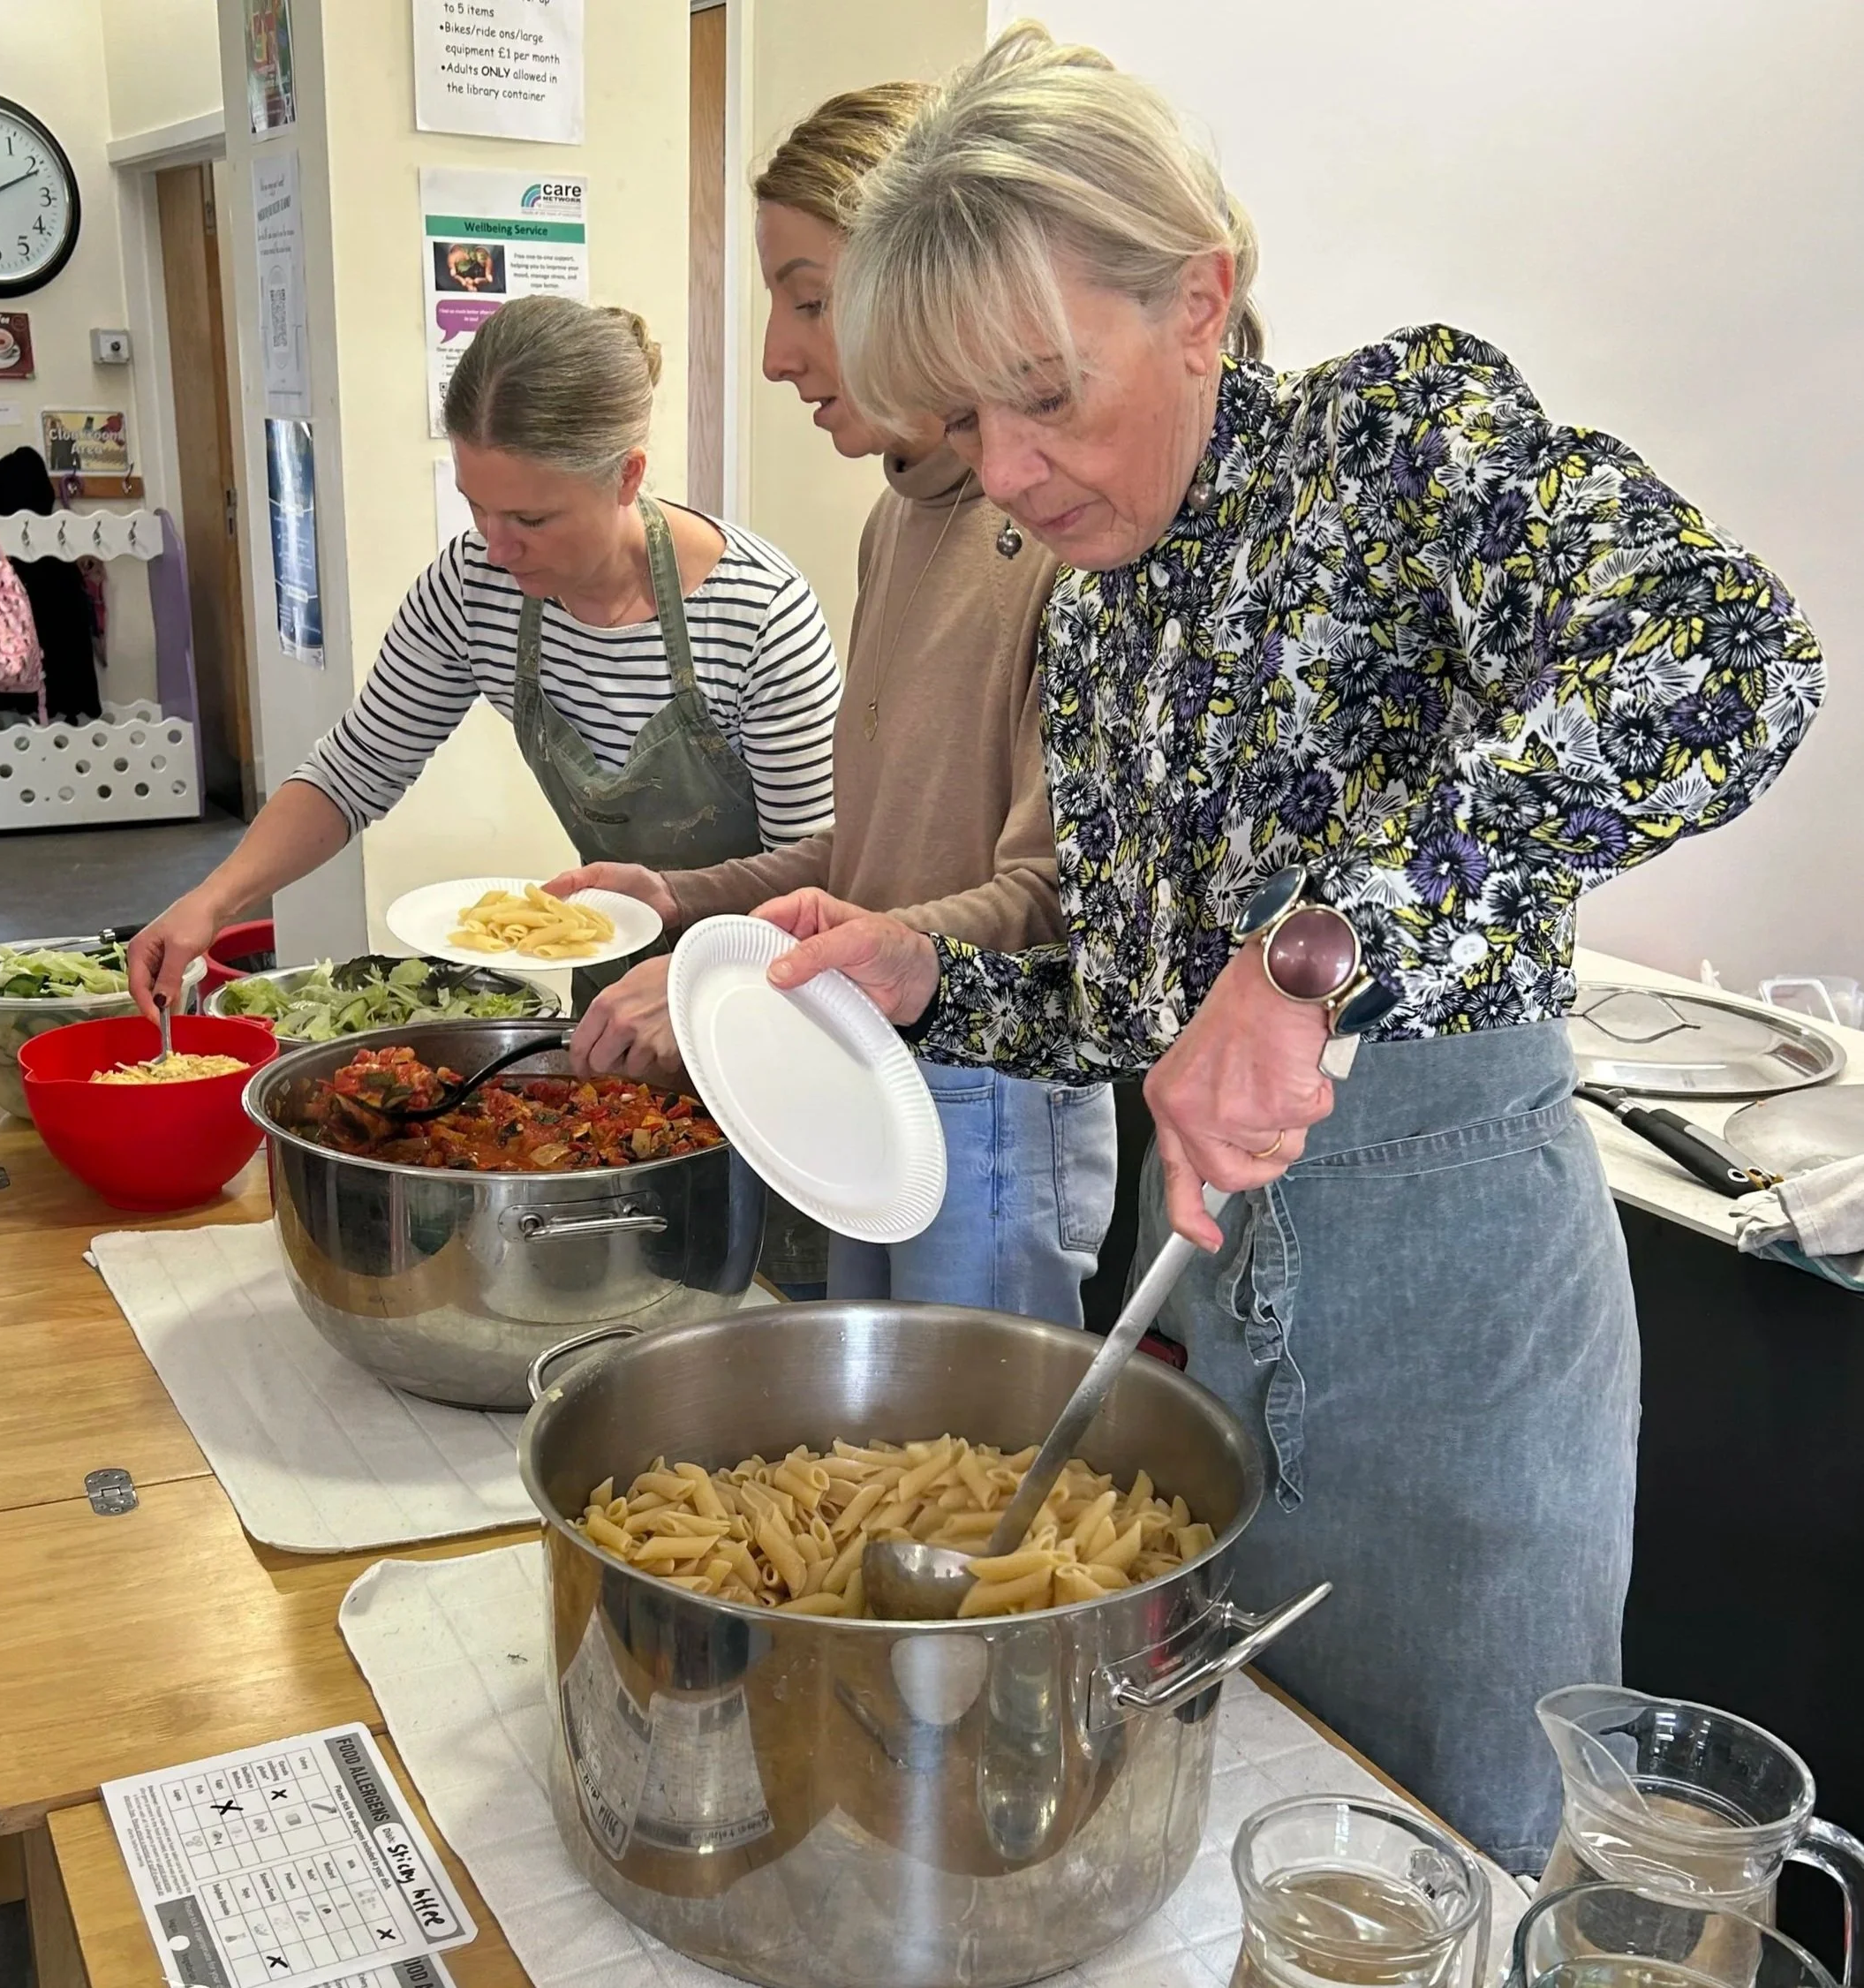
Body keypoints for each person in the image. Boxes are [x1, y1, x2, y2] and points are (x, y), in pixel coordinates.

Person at [740, 26, 1824, 1868]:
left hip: (1462, 1343)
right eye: (964, 426)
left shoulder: (1393, 442)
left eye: (1044, 398)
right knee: (1257, 1822)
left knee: (1458, 1845)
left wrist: (1315, 950)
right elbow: (1139, 1005)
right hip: (1220, 1337)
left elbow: (1732, 666)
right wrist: (935, 975)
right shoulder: (1091, 613)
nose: (1009, 471)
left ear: (1198, 297)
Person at [547, 86, 1117, 1325]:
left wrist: (744, 986)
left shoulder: (1065, 539)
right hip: (871, 1057)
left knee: (974, 1484)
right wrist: (678, 898)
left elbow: (1051, 899)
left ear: (921, 282)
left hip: (994, 1092)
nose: (773, 352)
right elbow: (871, 853)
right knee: (871, 1452)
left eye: (807, 298)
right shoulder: (895, 518)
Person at [128, 294, 841, 1010]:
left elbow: (817, 877)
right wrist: (212, 900)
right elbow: (353, 770)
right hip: (610, 987)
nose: (497, 548)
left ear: (627, 475)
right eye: (476, 506)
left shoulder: (757, 614)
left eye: (532, 518)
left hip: (764, 989)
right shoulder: (474, 586)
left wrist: (700, 984)